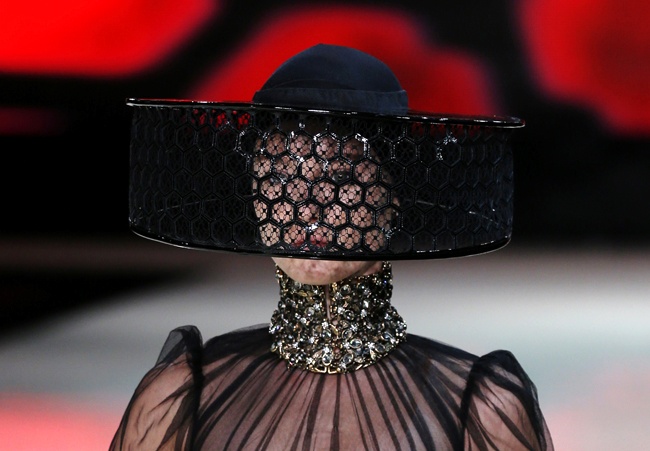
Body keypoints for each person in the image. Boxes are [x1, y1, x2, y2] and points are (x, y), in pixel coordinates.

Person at [112, 44, 553, 450]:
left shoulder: (478, 410)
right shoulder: (180, 397)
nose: (307, 206)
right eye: (280, 177)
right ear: (254, 193)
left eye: (341, 178)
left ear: (393, 194)